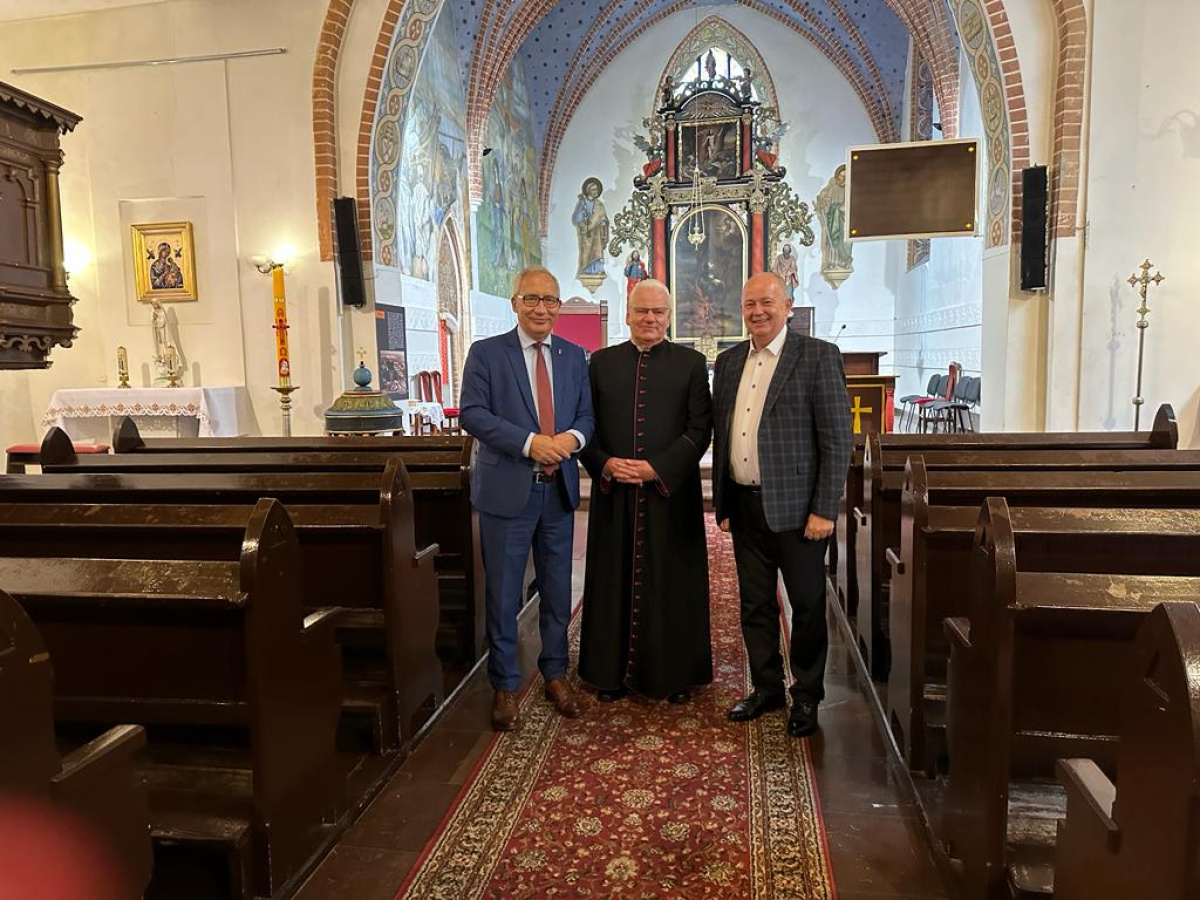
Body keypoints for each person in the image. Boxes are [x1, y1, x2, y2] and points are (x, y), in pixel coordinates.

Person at [711, 272, 852, 737]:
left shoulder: (817, 356)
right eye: (749, 304)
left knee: (807, 606)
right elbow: (724, 432)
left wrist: (824, 509)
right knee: (755, 605)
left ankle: (807, 694)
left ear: (788, 306)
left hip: (799, 512)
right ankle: (767, 687)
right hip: (745, 506)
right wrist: (724, 501)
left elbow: (837, 440)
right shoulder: (729, 362)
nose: (757, 311)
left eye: (767, 302)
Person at [459, 266, 595, 732]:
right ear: (515, 302)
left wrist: (571, 440)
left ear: (559, 306)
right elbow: (473, 414)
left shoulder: (575, 356)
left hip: (558, 493)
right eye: (532, 299)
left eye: (550, 300)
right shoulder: (486, 353)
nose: (541, 308)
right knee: (503, 592)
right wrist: (530, 443)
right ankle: (504, 684)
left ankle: (555, 674)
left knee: (558, 589)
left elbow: (586, 416)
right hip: (507, 492)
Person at [579, 279, 713, 703]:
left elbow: (700, 428)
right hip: (615, 493)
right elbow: (585, 425)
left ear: (669, 317)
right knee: (613, 581)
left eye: (658, 311)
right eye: (641, 310)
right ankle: (610, 673)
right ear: (628, 314)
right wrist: (604, 463)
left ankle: (674, 675)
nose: (649, 318)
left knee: (672, 584)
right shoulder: (600, 363)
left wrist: (658, 468)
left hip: (670, 495)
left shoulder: (691, 364)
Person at [571, 178, 608, 280]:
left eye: (597, 189)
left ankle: (597, 269)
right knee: (586, 252)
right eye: (593, 189)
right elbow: (576, 218)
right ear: (588, 191)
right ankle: (585, 269)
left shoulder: (599, 205)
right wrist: (583, 219)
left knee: (598, 250)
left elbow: (603, 217)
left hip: (597, 234)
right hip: (586, 234)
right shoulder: (582, 203)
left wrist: (603, 222)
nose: (595, 192)